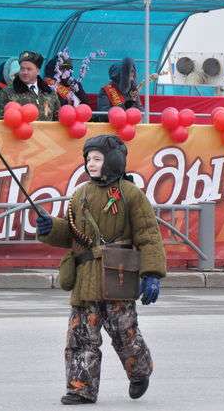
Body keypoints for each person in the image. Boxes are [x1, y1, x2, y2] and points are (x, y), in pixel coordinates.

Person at [36, 134, 166, 405]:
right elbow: (74, 234)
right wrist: (51, 228)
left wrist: (151, 274)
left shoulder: (131, 194)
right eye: (88, 159)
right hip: (85, 278)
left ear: (113, 161)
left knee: (125, 333)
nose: (90, 163)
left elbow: (148, 235)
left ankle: (140, 372)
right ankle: (80, 388)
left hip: (117, 275)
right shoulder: (80, 193)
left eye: (97, 158)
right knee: (80, 336)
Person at [0, 51, 60, 120]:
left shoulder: (49, 92)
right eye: (22, 68)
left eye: (29, 69)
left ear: (38, 71)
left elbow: (58, 117)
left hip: (46, 130)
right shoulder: (8, 92)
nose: (25, 72)